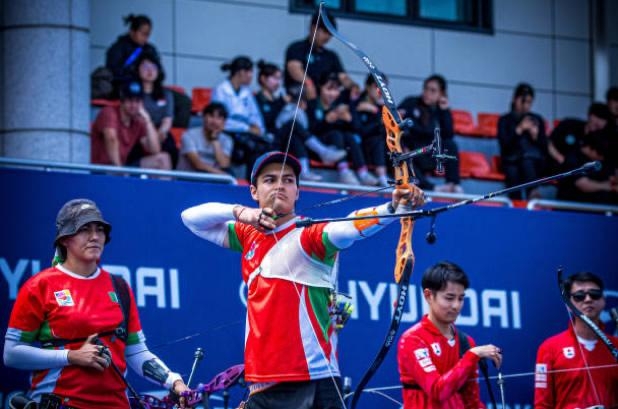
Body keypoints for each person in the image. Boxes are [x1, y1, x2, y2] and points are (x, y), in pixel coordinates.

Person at [181, 151, 425, 409]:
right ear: (254, 191)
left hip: (309, 382)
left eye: (288, 180)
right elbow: (191, 218)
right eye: (270, 180)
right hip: (262, 385)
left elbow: (348, 228)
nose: (279, 186)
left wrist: (392, 207)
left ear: (297, 191)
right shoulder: (247, 235)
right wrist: (242, 213)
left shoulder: (310, 237)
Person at [3, 199, 189, 408]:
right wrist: (72, 356)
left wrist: (175, 382)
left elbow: (136, 351)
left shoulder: (119, 287)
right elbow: (11, 354)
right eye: (84, 229)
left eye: (99, 230)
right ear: (64, 239)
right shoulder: (40, 286)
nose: (94, 237)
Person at [397, 261, 502, 409]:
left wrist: (470, 354)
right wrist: (472, 356)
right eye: (449, 298)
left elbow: (471, 403)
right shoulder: (412, 340)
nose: (456, 306)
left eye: (461, 298)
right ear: (428, 295)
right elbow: (437, 391)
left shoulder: (466, 342)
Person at [534, 271, 618, 408]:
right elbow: (542, 405)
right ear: (568, 304)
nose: (588, 299)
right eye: (579, 296)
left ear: (603, 300)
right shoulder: (550, 347)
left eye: (594, 294)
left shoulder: (615, 346)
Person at [307, 72, 377, 185]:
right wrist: (326, 121)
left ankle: (363, 173)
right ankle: (344, 171)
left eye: (336, 90)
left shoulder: (341, 106)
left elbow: (358, 129)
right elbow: (309, 131)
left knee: (349, 136)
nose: (333, 94)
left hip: (341, 148)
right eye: (329, 89)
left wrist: (349, 120)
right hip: (319, 149)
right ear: (320, 88)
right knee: (336, 133)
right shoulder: (312, 105)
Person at [398, 75, 462, 193]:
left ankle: (454, 184)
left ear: (441, 94)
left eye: (433, 90)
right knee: (401, 152)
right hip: (412, 151)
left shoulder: (440, 110)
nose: (427, 93)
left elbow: (448, 135)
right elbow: (397, 123)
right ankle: (432, 188)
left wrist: (445, 111)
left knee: (450, 144)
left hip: (429, 154)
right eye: (426, 89)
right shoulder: (411, 102)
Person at [91, 80, 172, 170]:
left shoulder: (138, 120)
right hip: (100, 169)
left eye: (137, 101)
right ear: (122, 101)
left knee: (163, 159)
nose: (134, 105)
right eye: (130, 100)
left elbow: (154, 150)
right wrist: (119, 171)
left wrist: (148, 120)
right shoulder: (109, 112)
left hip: (121, 168)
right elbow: (111, 139)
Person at [212, 56, 270, 179]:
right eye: (250, 72)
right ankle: (251, 182)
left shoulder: (246, 92)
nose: (251, 76)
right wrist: (246, 128)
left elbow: (255, 115)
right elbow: (220, 120)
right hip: (228, 131)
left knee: (267, 145)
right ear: (241, 72)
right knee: (252, 147)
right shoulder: (221, 90)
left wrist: (258, 128)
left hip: (246, 132)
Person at [275, 85, 347, 181]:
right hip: (279, 141)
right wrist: (294, 108)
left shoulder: (304, 110)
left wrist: (301, 110)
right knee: (293, 124)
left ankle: (304, 171)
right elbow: (279, 124)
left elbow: (305, 128)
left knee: (295, 137)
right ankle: (323, 151)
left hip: (295, 143)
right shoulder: (287, 107)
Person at [284, 10, 358, 101]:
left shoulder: (331, 56)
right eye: (325, 32)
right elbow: (294, 68)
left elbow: (343, 77)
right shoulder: (297, 48)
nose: (328, 37)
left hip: (324, 99)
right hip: (301, 97)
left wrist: (353, 86)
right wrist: (308, 83)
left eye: (330, 34)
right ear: (314, 28)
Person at [126, 52, 179, 168]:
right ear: (137, 69)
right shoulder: (133, 93)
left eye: (153, 67)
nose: (149, 71)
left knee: (170, 147)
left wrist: (162, 132)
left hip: (161, 132)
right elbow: (135, 116)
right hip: (139, 131)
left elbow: (168, 118)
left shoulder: (166, 94)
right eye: (145, 67)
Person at [497, 83, 548, 200]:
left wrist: (536, 136)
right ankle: (517, 204)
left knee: (527, 159)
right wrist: (519, 130)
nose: (526, 106)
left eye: (529, 102)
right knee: (513, 171)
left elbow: (545, 148)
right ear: (515, 99)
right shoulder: (505, 120)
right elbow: (504, 146)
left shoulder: (537, 119)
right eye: (523, 101)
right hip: (511, 161)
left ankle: (533, 192)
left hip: (534, 163)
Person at [352, 74, 390, 187]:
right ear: (367, 87)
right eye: (376, 87)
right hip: (360, 149)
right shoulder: (357, 103)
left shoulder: (382, 108)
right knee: (376, 138)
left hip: (380, 152)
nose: (380, 91)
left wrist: (376, 112)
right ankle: (382, 176)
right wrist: (378, 120)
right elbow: (358, 130)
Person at [177, 102, 234, 175]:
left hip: (214, 180)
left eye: (219, 118)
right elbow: (198, 164)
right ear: (203, 117)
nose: (214, 121)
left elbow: (224, 164)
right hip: (189, 178)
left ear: (224, 122)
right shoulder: (189, 135)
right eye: (211, 116)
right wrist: (222, 174)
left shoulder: (227, 140)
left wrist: (215, 140)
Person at [106, 14, 161, 83]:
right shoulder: (118, 49)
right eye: (143, 34)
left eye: (148, 34)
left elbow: (160, 73)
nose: (146, 38)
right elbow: (113, 72)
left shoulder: (150, 50)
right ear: (132, 32)